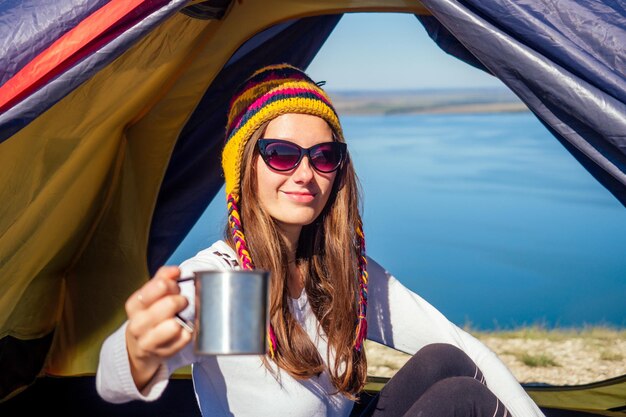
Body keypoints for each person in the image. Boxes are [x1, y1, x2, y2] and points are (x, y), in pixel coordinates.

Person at [96, 63, 545, 417]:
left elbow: (465, 347)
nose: (306, 174)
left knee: (446, 362)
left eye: (324, 156)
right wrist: (137, 351)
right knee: (460, 402)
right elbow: (116, 379)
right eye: (282, 155)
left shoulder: (340, 277)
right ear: (245, 168)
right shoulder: (239, 289)